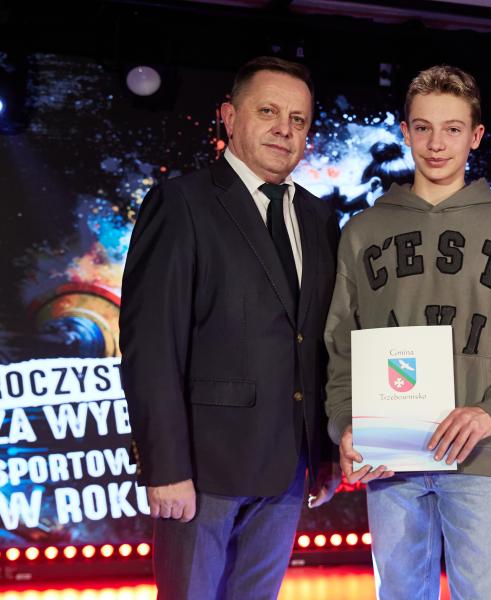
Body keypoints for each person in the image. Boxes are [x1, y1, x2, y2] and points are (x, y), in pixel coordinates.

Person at [324, 65, 491, 600]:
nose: (437, 144)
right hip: (391, 455)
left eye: (452, 129)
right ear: (405, 131)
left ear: (475, 136)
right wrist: (345, 422)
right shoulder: (363, 231)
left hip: (483, 453)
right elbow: (342, 348)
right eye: (424, 128)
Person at [120, 56, 340, 599]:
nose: (284, 129)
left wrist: (325, 450)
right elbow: (151, 345)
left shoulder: (319, 219)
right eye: (267, 112)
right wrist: (165, 467)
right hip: (202, 472)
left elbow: (318, 343)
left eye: (298, 119)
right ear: (229, 116)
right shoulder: (181, 203)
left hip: (288, 471)